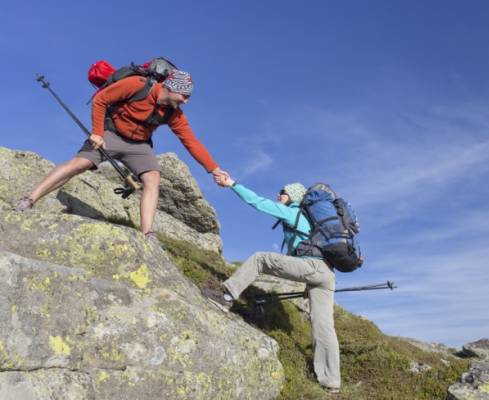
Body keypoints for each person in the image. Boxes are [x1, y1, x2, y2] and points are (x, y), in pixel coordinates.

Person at [14, 70, 227, 239]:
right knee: (80, 164)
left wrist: (214, 169)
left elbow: (191, 142)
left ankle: (147, 234)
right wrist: (97, 133)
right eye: (184, 95)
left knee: (153, 178)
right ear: (172, 88)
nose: (186, 101)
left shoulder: (174, 114)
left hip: (140, 145)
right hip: (110, 134)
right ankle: (30, 199)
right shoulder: (136, 85)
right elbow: (101, 100)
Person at [214, 174, 341, 393]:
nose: (278, 195)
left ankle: (226, 296)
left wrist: (232, 184)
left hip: (312, 268)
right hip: (326, 274)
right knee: (324, 327)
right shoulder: (312, 221)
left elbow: (258, 203)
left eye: (283, 192)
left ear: (293, 195)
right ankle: (332, 382)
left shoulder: (293, 212)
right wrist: (307, 286)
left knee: (260, 259)